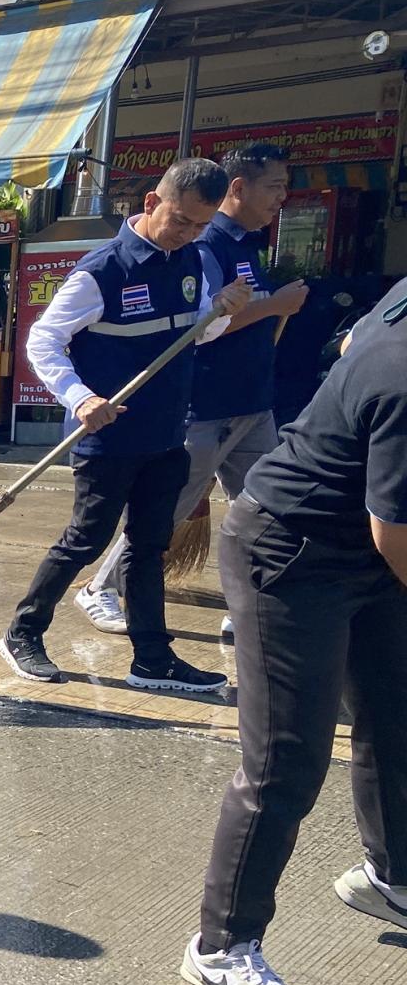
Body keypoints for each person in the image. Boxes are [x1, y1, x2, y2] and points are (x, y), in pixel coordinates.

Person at [180, 280, 407, 985]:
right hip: (289, 550)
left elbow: (350, 341)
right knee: (285, 760)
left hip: (364, 548)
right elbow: (395, 534)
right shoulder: (405, 376)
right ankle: (221, 947)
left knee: (396, 716)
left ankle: (392, 878)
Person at [0, 157, 251, 694]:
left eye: (201, 225)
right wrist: (80, 397)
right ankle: (22, 633)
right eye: (180, 220)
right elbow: (43, 340)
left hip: (167, 435)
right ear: (152, 203)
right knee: (85, 542)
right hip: (108, 438)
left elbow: (196, 333)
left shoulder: (192, 260)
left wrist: (222, 311)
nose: (188, 233)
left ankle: (152, 659)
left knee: (149, 547)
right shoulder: (103, 271)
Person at [74, 144, 308, 639]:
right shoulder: (205, 247)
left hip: (252, 402)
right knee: (168, 509)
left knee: (264, 507)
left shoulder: (245, 243)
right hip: (206, 404)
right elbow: (203, 326)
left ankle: (249, 606)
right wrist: (273, 306)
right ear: (238, 188)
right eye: (274, 186)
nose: (281, 198)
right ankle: (101, 587)